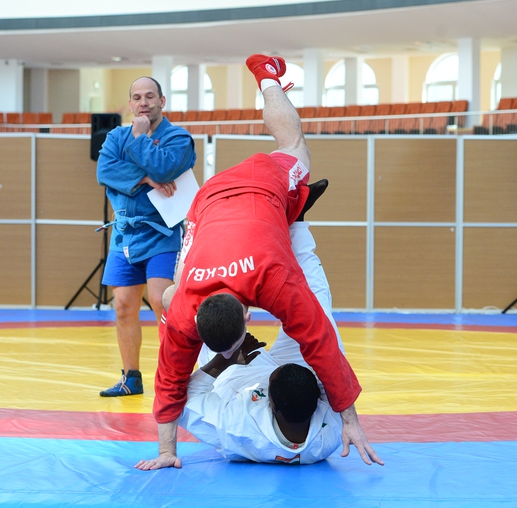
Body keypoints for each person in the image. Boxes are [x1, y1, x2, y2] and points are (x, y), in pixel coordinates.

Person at [136, 55, 382, 469]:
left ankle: (270, 82)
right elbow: (320, 343)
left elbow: (170, 380)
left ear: (247, 314)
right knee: (292, 147)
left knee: (295, 148)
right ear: (247, 312)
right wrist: (349, 419)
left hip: (241, 193)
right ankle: (268, 82)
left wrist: (167, 451)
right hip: (211, 205)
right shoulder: (266, 281)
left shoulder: (250, 286)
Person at [177, 221, 349, 465]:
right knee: (317, 311)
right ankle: (298, 223)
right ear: (318, 403)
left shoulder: (235, 428)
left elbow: (185, 401)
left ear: (271, 404)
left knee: (213, 321)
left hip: (236, 382)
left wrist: (224, 359)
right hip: (295, 384)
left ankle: (209, 239)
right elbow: (335, 371)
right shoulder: (330, 432)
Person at [96, 76, 196, 397]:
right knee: (123, 306)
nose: (143, 103)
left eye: (150, 96)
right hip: (125, 234)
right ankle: (131, 378)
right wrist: (146, 179)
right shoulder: (116, 137)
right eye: (137, 97)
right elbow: (105, 171)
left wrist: (140, 140)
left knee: (160, 301)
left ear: (162, 101)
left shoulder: (178, 138)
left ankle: (174, 378)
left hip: (161, 233)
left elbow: (165, 168)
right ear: (130, 103)